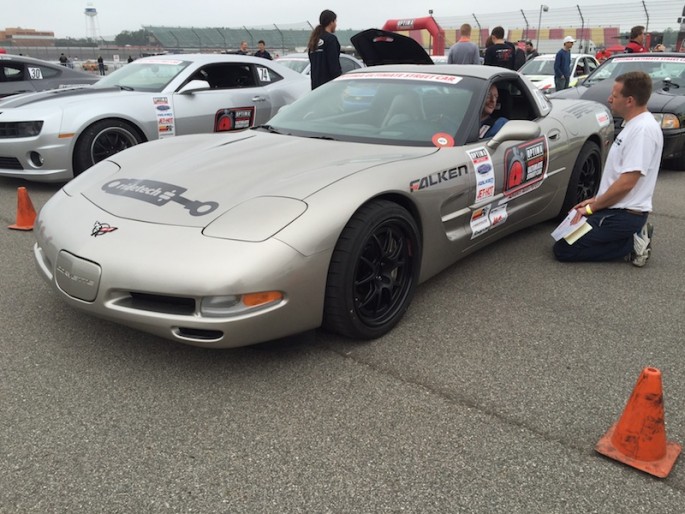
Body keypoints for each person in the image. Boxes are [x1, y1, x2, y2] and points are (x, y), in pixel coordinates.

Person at [553, 71, 663, 267]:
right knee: (567, 231)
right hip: (613, 209)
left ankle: (633, 242)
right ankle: (627, 237)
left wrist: (591, 208)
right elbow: (617, 178)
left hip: (622, 216)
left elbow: (627, 183)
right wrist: (594, 200)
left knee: (564, 248)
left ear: (629, 100)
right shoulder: (634, 124)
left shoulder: (643, 131)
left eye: (615, 95)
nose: (609, 98)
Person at [307, 9, 342, 89]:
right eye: (335, 21)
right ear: (331, 22)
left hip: (315, 86)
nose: (336, 24)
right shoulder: (331, 39)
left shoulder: (314, 40)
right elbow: (334, 65)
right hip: (328, 86)